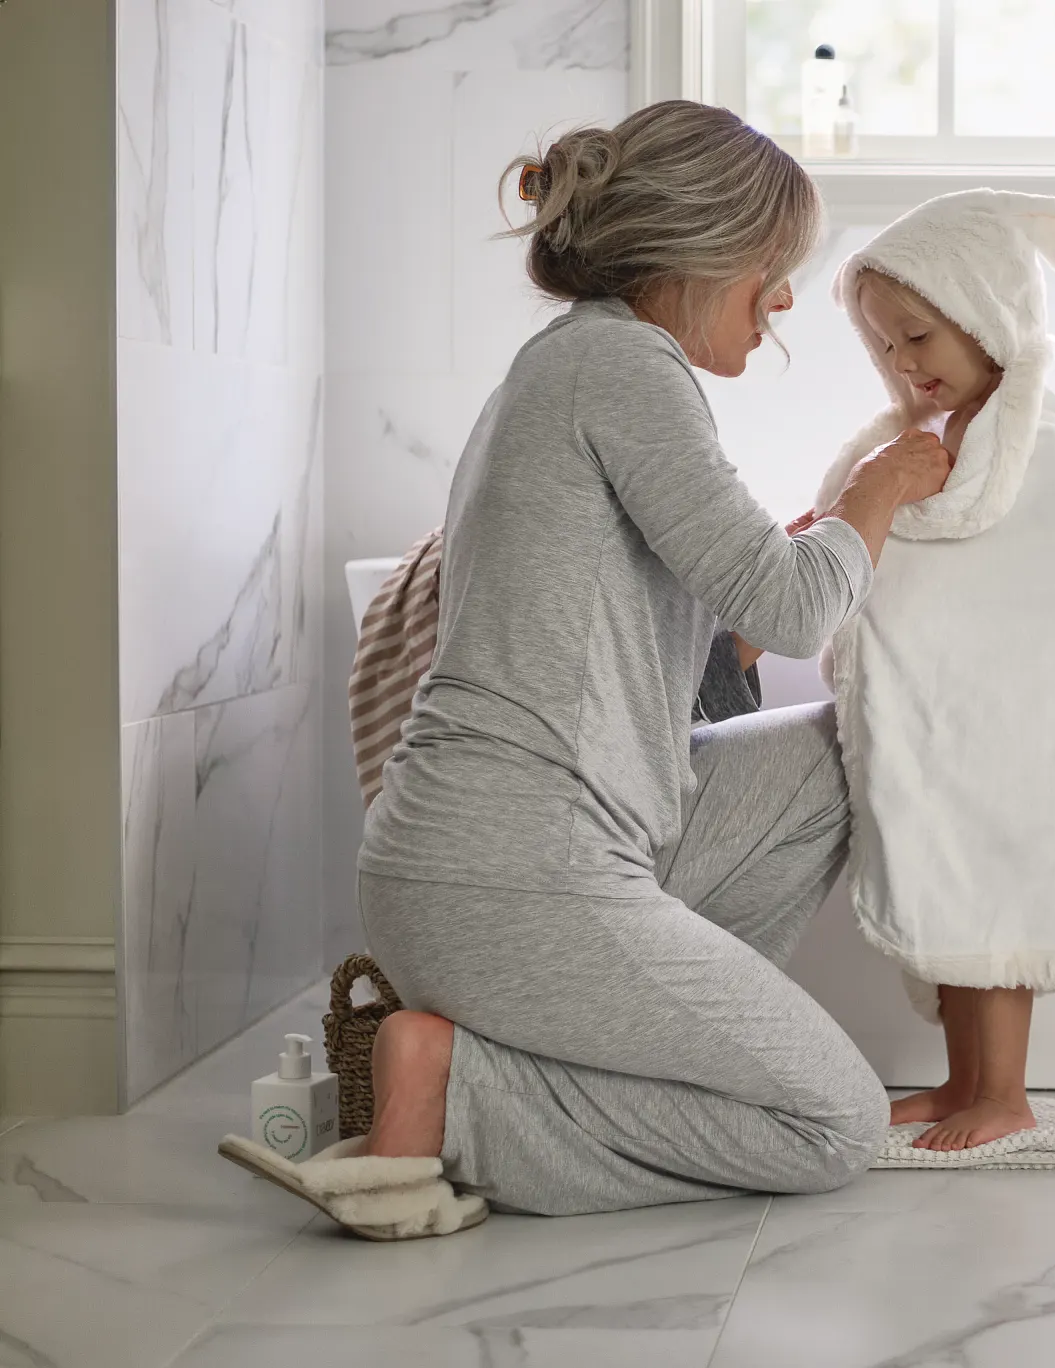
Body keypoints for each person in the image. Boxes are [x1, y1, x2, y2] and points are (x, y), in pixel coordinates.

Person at [226, 101, 955, 1235]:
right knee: (833, 1126)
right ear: (699, 255)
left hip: (532, 847)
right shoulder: (623, 367)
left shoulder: (577, 367)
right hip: (510, 870)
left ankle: (599, 1051)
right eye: (771, 270)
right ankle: (463, 1090)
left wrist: (762, 605)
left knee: (832, 756)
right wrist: (877, 494)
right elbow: (794, 603)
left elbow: (678, 652)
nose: (781, 304)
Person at [813, 192, 1055, 1152]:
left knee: (996, 891)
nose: (903, 366)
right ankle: (964, 1082)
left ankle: (1005, 1093)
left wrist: (882, 507)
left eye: (917, 336)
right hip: (945, 713)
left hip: (1007, 714)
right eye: (882, 349)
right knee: (952, 885)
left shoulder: (1025, 433)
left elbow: (996, 555)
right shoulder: (945, 430)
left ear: (988, 313)